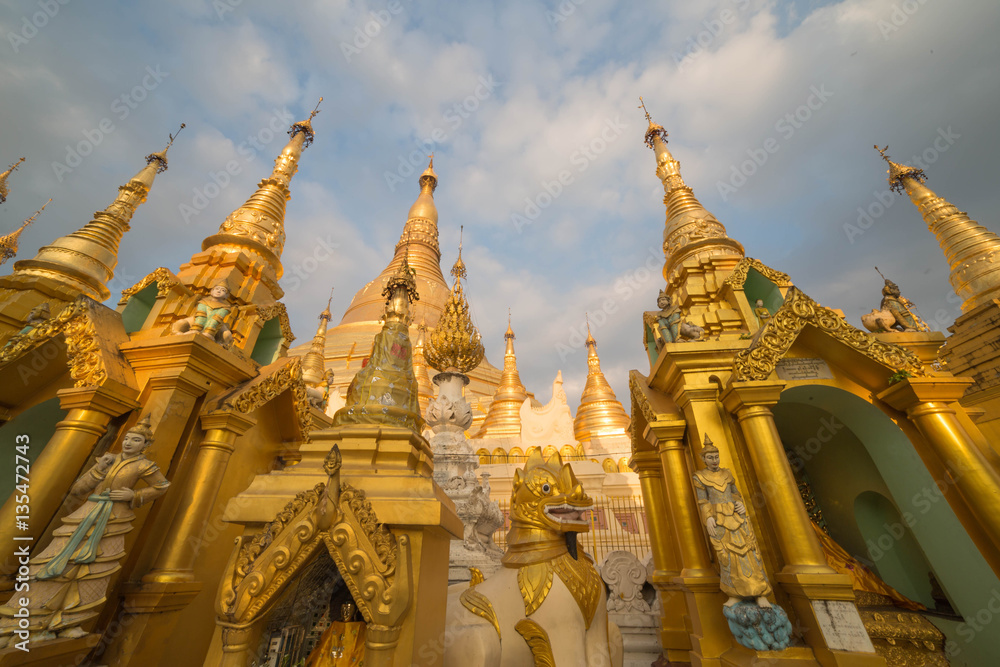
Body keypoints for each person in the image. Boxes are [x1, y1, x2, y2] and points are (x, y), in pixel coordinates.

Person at [0, 416, 170, 644]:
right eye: (127, 438)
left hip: (112, 520)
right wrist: (99, 470)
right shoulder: (107, 460)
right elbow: (79, 489)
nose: (129, 443)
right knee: (55, 562)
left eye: (136, 440)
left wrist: (135, 495)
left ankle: (68, 622)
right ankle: (25, 621)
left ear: (145, 445)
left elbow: (162, 486)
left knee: (93, 570)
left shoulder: (144, 465)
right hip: (85, 516)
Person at [692, 436, 772, 608]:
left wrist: (740, 504)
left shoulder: (727, 474)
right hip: (719, 519)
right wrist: (708, 517)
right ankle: (733, 592)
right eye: (710, 458)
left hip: (736, 517)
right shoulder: (699, 477)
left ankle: (760, 592)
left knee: (750, 552)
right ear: (703, 459)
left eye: (716, 457)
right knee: (726, 556)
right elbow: (702, 500)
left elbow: (735, 493)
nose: (714, 461)